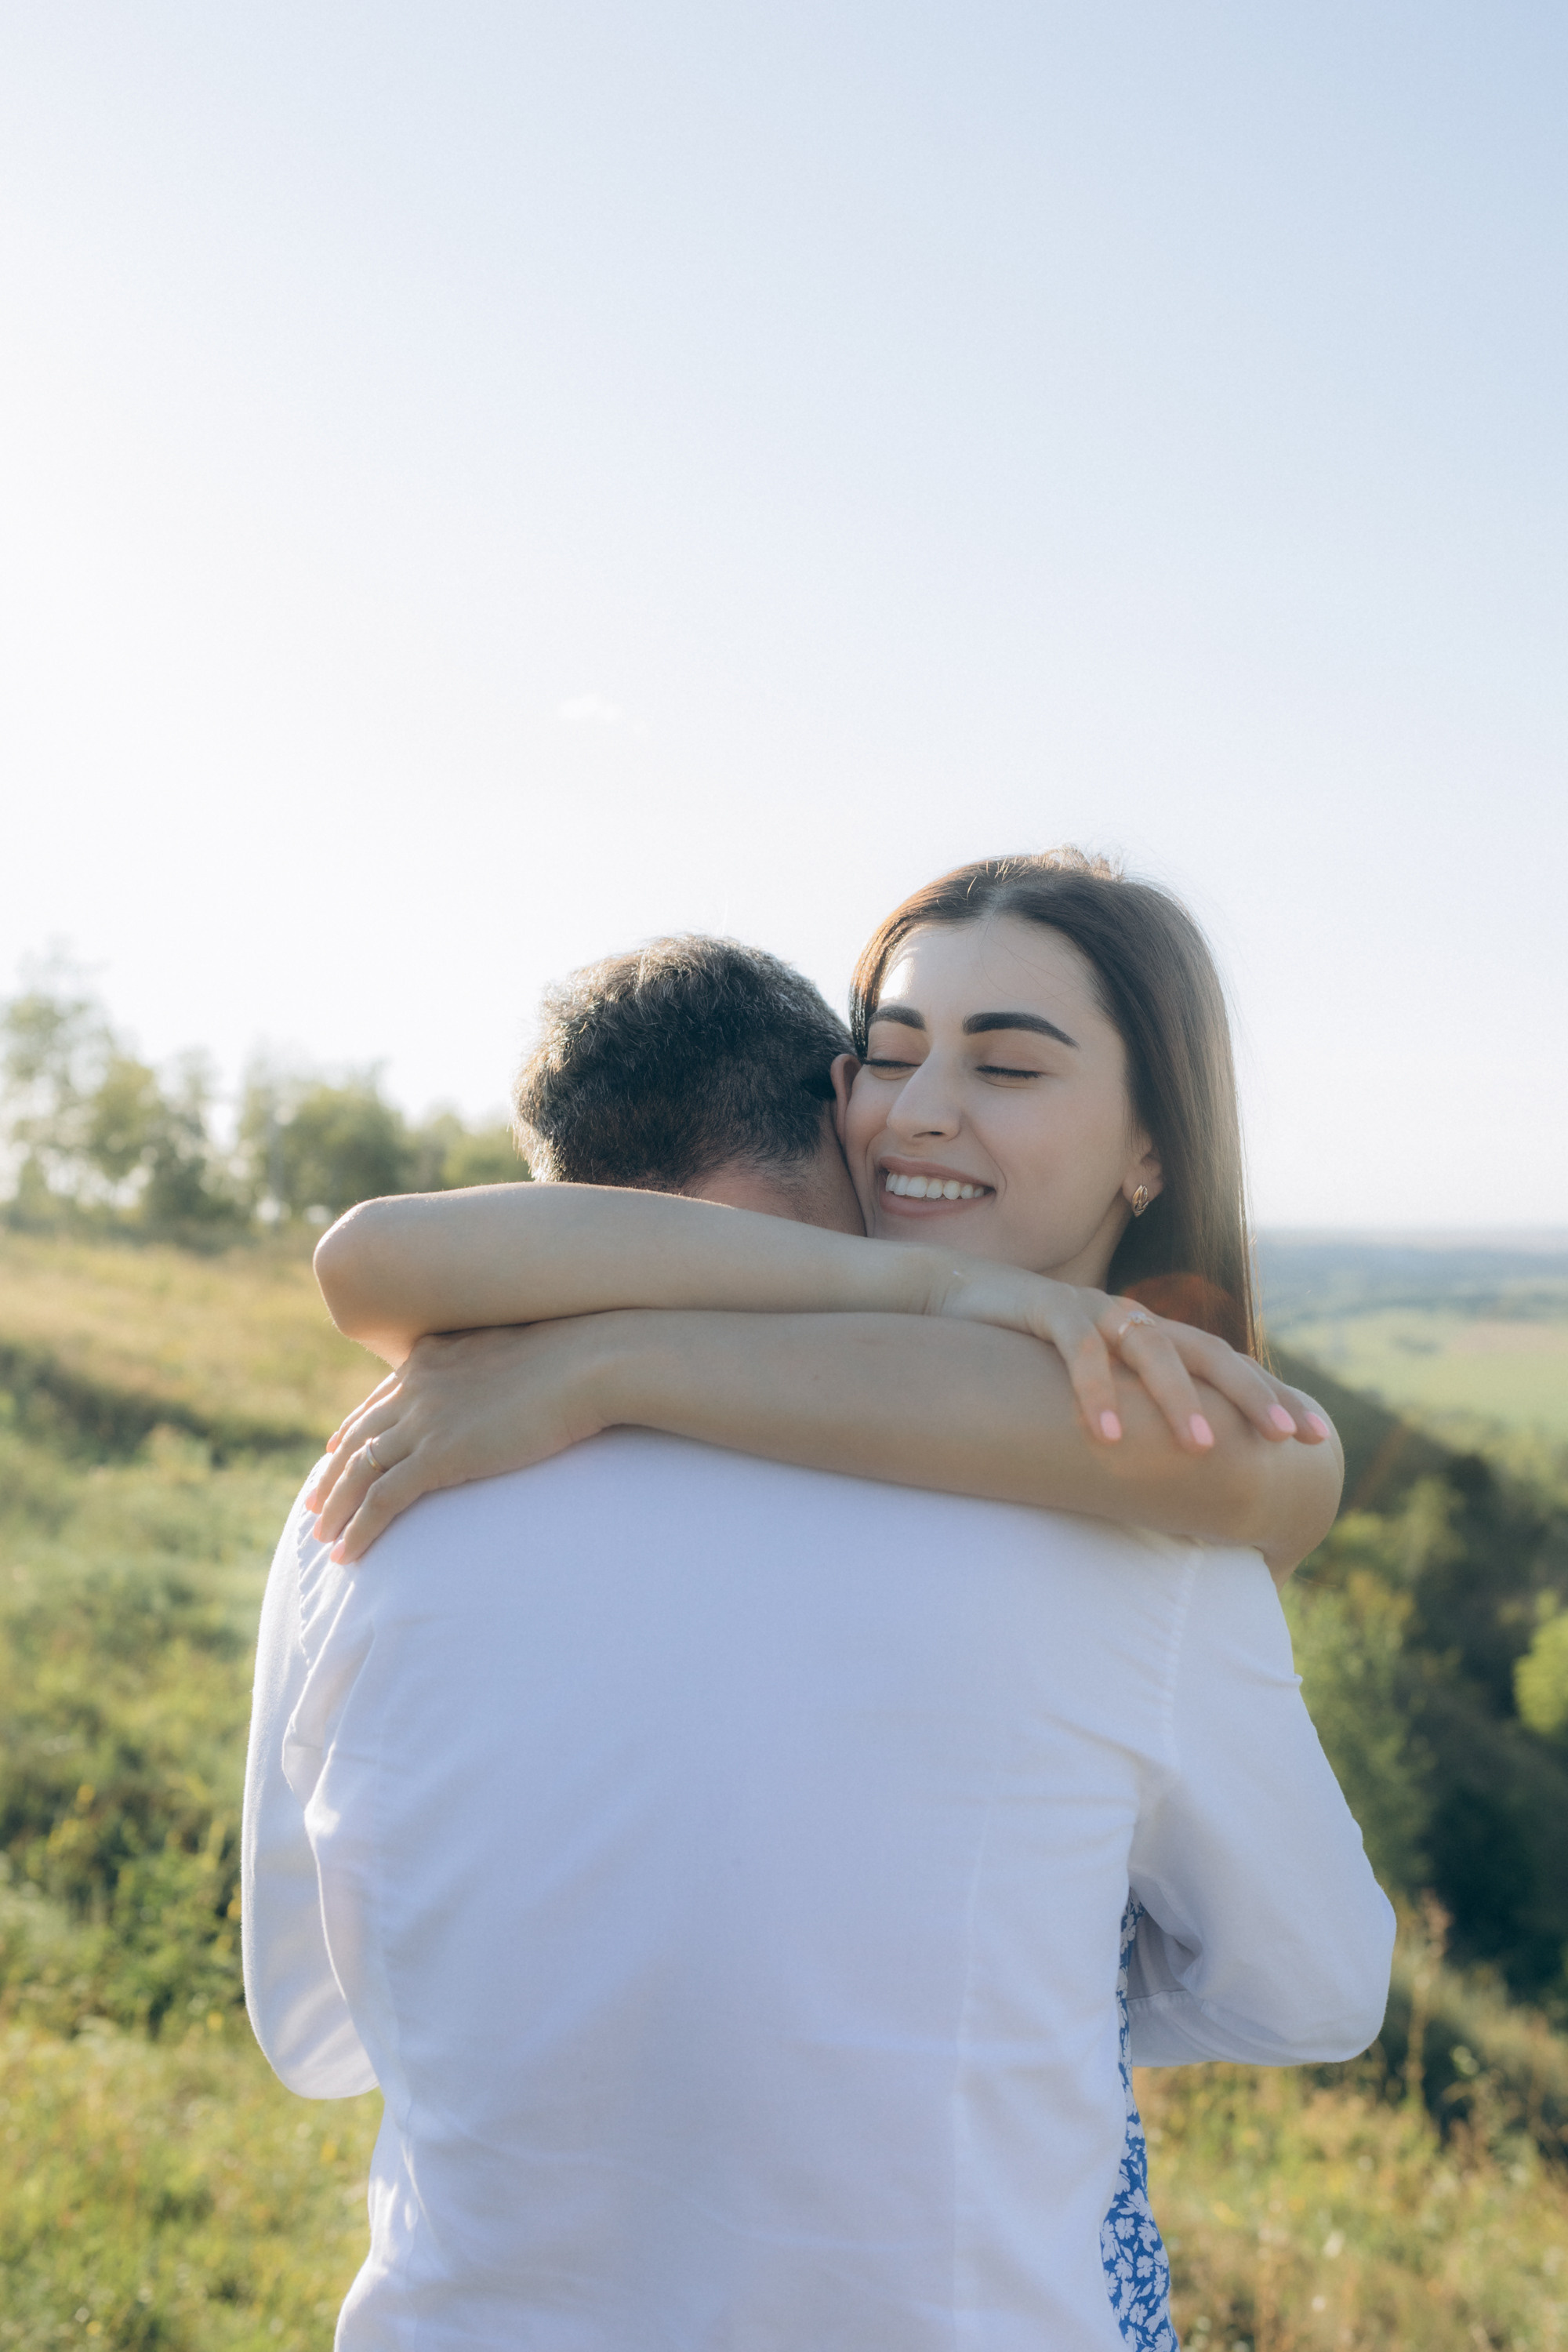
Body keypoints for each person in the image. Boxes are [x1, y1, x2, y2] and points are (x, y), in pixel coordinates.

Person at [243, 853, 1394, 2352]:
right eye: (892, 1055)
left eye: (1007, 1063)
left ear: (1154, 1145)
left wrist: (610, 1362)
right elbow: (1309, 1993)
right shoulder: (1139, 1557)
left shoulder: (411, 1455)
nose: (919, 1111)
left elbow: (318, 2030)